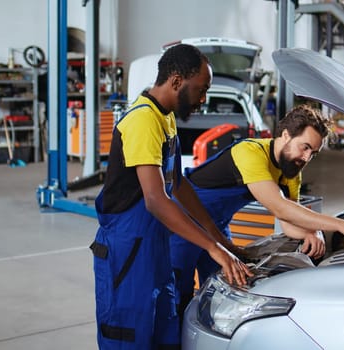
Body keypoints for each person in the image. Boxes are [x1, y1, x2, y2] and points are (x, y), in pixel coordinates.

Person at [90, 43, 252, 350]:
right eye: (201, 90)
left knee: (167, 334)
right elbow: (155, 199)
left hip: (154, 248)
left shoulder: (164, 118)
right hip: (127, 252)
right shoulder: (142, 120)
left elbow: (178, 185)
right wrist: (211, 248)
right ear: (176, 81)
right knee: (130, 338)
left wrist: (218, 240)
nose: (203, 100)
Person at [170, 104, 344, 318]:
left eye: (313, 153)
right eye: (304, 147)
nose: (306, 158)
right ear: (286, 135)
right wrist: (341, 224)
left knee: (223, 291)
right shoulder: (249, 152)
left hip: (217, 226)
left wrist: (311, 231)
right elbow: (280, 207)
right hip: (183, 222)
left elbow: (288, 221)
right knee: (177, 295)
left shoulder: (291, 172)